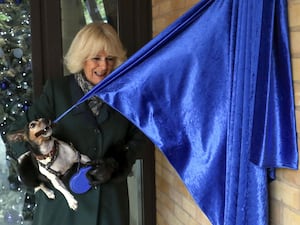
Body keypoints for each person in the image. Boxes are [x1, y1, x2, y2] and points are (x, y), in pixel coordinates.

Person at [7, 22, 154, 225]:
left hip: (108, 207)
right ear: (82, 58)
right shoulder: (57, 92)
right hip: (62, 209)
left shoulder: (125, 95)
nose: (104, 66)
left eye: (110, 59)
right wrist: (38, 169)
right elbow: (16, 135)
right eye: (96, 58)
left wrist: (116, 163)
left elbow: (139, 139)